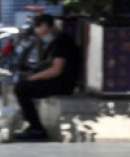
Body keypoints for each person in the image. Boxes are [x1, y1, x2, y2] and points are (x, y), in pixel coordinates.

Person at [13, 13, 80, 141]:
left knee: (22, 89)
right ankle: (32, 123)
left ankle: (36, 128)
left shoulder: (62, 42)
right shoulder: (54, 42)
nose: (37, 31)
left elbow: (56, 70)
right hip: (57, 81)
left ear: (46, 25)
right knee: (22, 85)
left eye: (38, 27)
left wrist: (33, 78)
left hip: (62, 83)